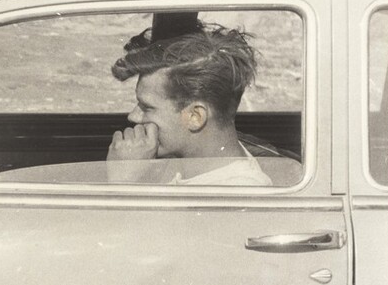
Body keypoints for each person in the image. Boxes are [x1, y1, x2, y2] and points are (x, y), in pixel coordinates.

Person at [107, 21, 272, 186]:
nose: (133, 116)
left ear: (195, 116)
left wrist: (121, 180)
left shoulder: (236, 191)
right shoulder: (182, 160)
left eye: (147, 107)